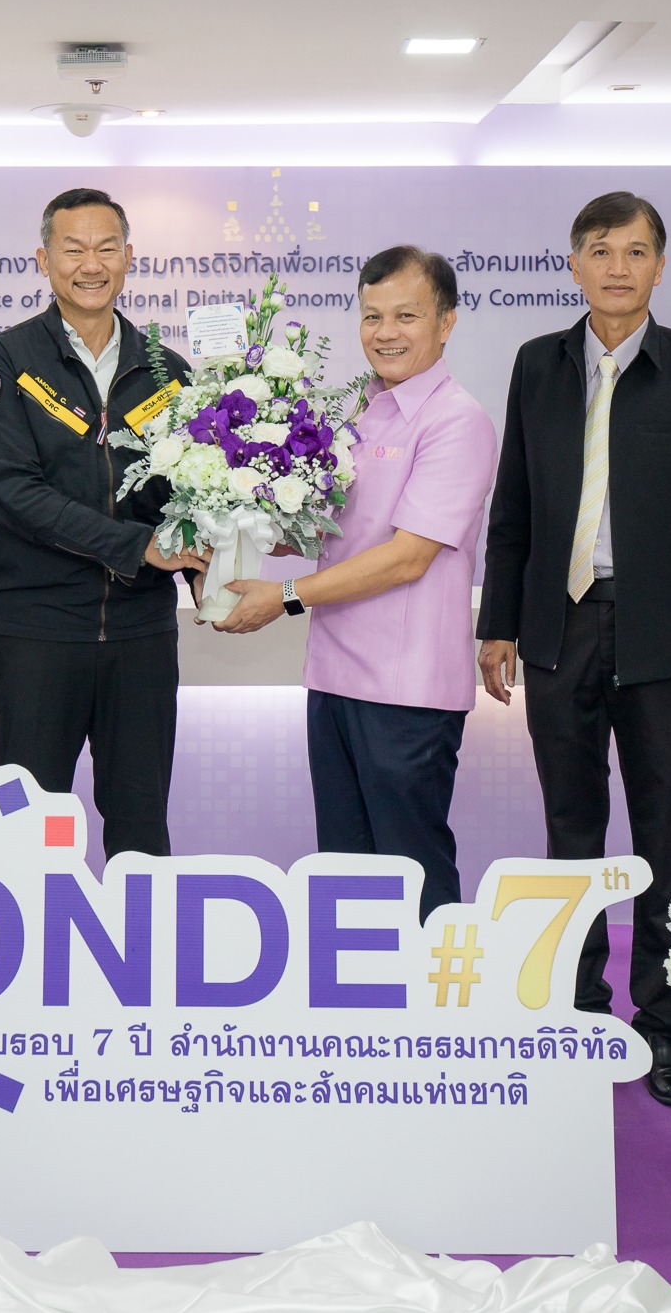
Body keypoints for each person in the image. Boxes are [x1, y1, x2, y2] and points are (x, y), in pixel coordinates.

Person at [476, 191, 671, 1109]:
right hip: (559, 628)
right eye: (600, 250)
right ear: (575, 264)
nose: (618, 267)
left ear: (660, 266)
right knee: (571, 832)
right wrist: (499, 622)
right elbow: (514, 502)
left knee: (666, 836)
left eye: (636, 251)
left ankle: (667, 1028)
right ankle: (581, 1010)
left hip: (664, 638)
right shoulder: (538, 364)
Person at [215, 247, 497, 922]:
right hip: (335, 676)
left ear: (447, 322)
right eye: (372, 316)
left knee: (410, 869)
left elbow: (406, 557)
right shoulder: (361, 413)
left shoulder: (457, 420)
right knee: (347, 872)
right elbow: (333, 531)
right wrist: (230, 529)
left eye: (406, 315)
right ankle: (362, 993)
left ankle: (431, 991)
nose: (385, 332)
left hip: (406, 689)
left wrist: (284, 596)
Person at [0, 188, 206, 860]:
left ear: (129, 258)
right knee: (28, 836)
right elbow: (14, 492)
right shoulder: (5, 361)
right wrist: (137, 546)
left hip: (140, 635)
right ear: (44, 260)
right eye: (73, 249)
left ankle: (139, 934)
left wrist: (208, 566)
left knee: (141, 829)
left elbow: (187, 498)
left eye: (106, 248)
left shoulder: (169, 371)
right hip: (35, 633)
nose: (90, 264)